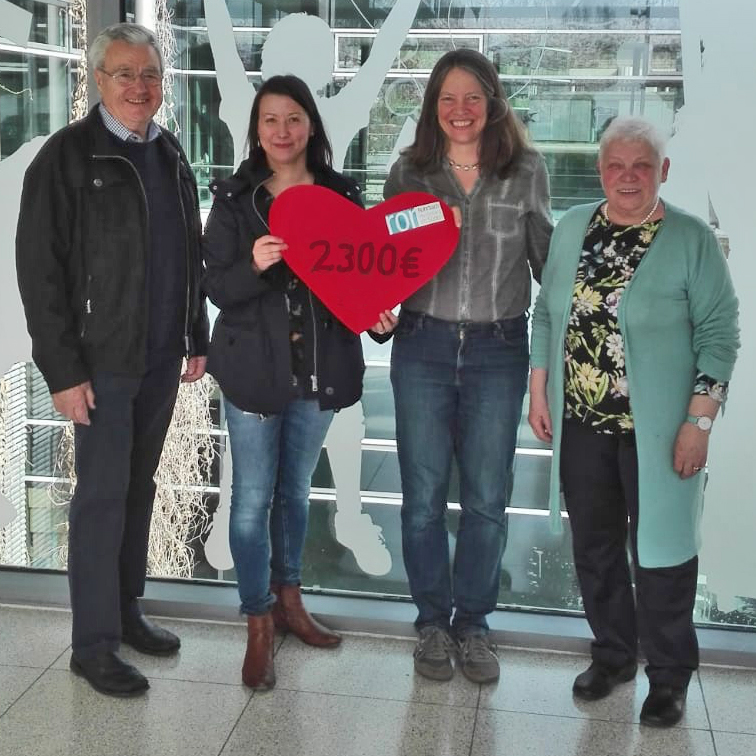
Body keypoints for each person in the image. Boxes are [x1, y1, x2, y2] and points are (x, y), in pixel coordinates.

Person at [15, 23, 209, 697]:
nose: (138, 87)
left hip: (159, 359)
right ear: (98, 81)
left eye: (149, 75)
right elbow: (39, 277)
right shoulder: (66, 158)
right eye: (123, 74)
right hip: (99, 365)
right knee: (100, 499)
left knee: (138, 489)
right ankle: (91, 644)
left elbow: (190, 252)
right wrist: (63, 373)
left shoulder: (171, 155)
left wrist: (196, 331)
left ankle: (126, 613)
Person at [528, 116, 739, 727]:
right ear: (600, 172)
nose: (627, 177)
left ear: (662, 172)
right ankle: (615, 655)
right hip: (583, 425)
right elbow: (547, 316)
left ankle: (669, 675)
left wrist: (698, 423)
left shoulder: (690, 239)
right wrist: (539, 390)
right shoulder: (572, 229)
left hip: (660, 432)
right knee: (595, 548)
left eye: (641, 167)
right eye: (616, 166)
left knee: (663, 555)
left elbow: (721, 336)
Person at [202, 74, 394, 690]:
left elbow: (360, 281)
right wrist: (254, 264)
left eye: (293, 119)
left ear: (311, 124)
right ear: (255, 131)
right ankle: (258, 619)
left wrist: (381, 316)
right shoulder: (235, 200)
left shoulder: (341, 194)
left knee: (295, 494)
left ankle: (290, 600)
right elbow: (217, 289)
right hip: (253, 373)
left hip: (319, 371)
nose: (281, 132)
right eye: (269, 121)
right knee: (252, 500)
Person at [383, 48, 553, 684]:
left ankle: (473, 625)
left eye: (473, 98)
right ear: (433, 107)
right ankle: (431, 622)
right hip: (422, 347)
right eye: (448, 99)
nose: (461, 111)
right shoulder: (409, 174)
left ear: (493, 103)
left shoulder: (526, 171)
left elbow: (547, 267)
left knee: (486, 497)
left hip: (498, 351)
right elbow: (381, 265)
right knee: (423, 497)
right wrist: (374, 309)